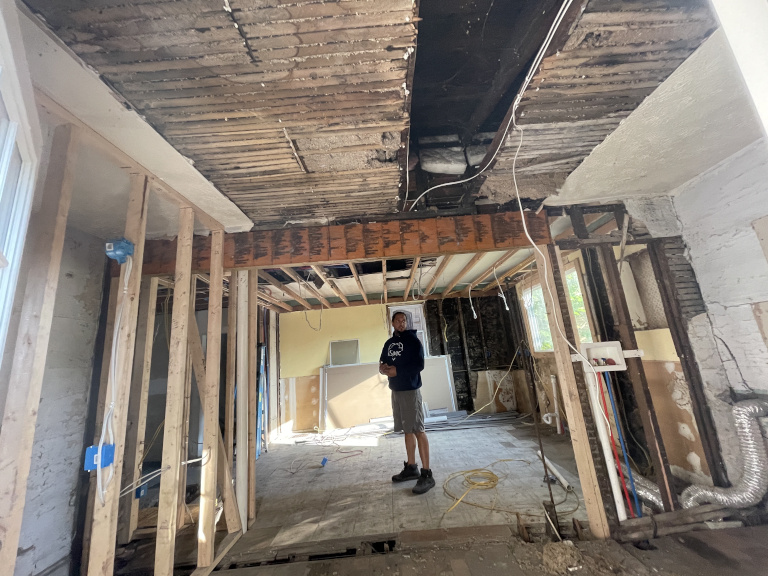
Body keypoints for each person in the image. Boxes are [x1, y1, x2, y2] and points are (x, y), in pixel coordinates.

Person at [379, 311, 435, 494]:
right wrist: (383, 369)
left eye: (404, 321)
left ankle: (427, 474)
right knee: (407, 430)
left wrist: (398, 371)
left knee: (418, 429)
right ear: (393, 323)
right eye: (398, 320)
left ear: (406, 323)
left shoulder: (413, 341)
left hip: (410, 390)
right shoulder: (389, 344)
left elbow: (419, 366)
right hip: (396, 390)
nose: (401, 323)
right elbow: (384, 362)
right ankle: (411, 467)